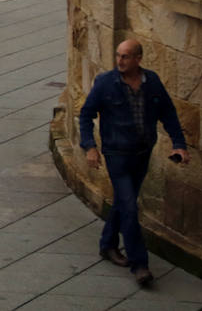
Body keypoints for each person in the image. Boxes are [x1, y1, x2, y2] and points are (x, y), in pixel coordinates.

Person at [78, 38, 189, 286]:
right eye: (118, 55)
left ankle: (107, 245)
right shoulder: (106, 83)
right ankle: (140, 265)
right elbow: (86, 114)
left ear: (138, 59)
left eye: (126, 56)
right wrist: (90, 146)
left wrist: (179, 144)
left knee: (122, 202)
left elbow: (168, 113)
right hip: (117, 154)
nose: (120, 61)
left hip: (142, 152)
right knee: (129, 207)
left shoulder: (152, 83)